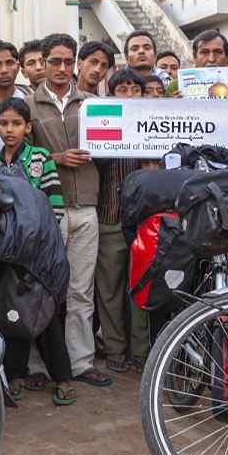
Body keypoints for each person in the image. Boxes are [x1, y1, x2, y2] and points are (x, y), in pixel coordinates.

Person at [30, 34, 111, 387]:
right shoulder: (28, 106)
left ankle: (80, 361)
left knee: (81, 289)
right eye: (55, 61)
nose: (62, 68)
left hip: (87, 205)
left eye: (68, 61)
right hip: (48, 209)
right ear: (43, 63)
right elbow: (19, 156)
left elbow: (114, 145)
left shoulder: (93, 104)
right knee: (42, 288)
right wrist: (55, 158)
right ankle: (36, 364)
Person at [0, 97, 76, 406]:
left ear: (28, 127)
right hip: (6, 252)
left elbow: (54, 204)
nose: (10, 130)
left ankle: (62, 376)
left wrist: (49, 246)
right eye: (4, 123)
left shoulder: (40, 158)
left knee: (44, 312)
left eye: (16, 124)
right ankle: (16, 374)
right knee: (9, 312)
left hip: (39, 251)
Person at [94, 69, 148, 375]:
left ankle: (141, 348)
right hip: (109, 216)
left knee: (139, 286)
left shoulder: (157, 124)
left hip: (144, 221)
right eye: (122, 89)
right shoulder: (102, 121)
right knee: (109, 287)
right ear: (112, 93)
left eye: (134, 90)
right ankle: (114, 346)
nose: (129, 95)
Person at [162, 31, 228, 98]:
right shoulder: (175, 86)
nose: (211, 59)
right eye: (204, 52)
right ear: (194, 57)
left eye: (218, 52)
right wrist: (172, 106)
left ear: (227, 57)